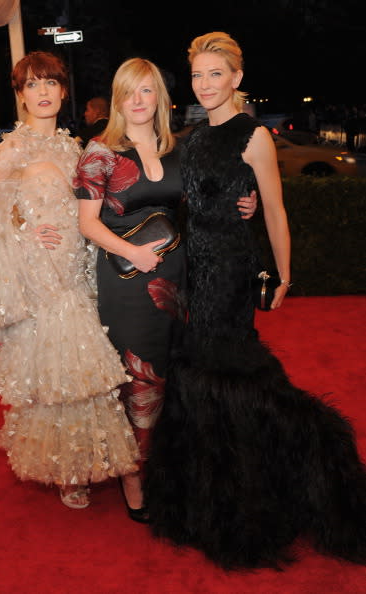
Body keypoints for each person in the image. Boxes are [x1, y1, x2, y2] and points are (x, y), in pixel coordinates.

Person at [144, 31, 366, 569]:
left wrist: (284, 275)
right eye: (197, 75)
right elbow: (171, 196)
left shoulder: (255, 138)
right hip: (192, 269)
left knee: (227, 370)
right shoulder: (191, 138)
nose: (205, 83)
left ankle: (282, 471)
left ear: (237, 78)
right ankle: (204, 495)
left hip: (230, 272)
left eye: (215, 73)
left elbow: (274, 210)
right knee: (196, 371)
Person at [0, 51, 140, 509]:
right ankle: (66, 468)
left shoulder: (74, 147)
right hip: (39, 269)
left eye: (49, 83)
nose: (42, 93)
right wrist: (24, 227)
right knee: (58, 364)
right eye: (31, 85)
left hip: (76, 263)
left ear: (62, 90)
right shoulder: (14, 147)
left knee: (81, 364)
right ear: (19, 95)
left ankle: (87, 456)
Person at [68, 57, 257, 522]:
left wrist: (245, 201)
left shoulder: (180, 149)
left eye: (146, 91)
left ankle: (165, 466)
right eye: (128, 92)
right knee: (138, 376)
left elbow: (203, 198)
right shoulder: (100, 151)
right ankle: (133, 476)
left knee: (171, 369)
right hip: (127, 282)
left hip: (176, 281)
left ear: (160, 99)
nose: (137, 100)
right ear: (117, 99)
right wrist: (131, 254)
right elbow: (87, 224)